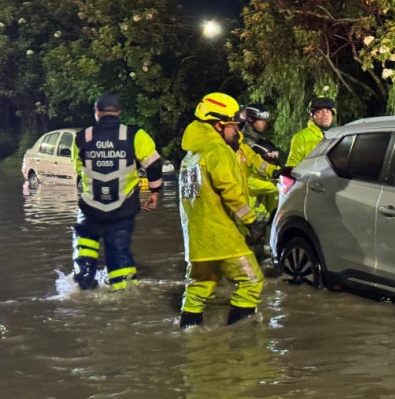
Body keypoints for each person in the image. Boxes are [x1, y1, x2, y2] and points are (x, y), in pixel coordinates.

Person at [178, 92, 268, 328]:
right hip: (223, 236)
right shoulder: (217, 151)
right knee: (251, 281)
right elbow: (230, 192)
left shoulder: (190, 156)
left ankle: (190, 336)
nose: (237, 131)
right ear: (218, 125)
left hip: (197, 241)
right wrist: (251, 222)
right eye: (233, 125)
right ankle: (242, 342)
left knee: (198, 289)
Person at [71, 93, 163, 290]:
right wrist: (154, 192)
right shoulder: (135, 135)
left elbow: (78, 171)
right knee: (119, 253)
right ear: (119, 113)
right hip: (122, 209)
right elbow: (154, 164)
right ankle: (124, 295)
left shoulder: (82, 136)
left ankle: (84, 286)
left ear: (97, 112)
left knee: (84, 248)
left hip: (89, 209)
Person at [238, 104, 283, 222]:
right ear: (251, 119)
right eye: (261, 120)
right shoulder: (243, 143)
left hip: (261, 206)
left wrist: (276, 172)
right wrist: (279, 186)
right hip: (247, 206)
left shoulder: (260, 140)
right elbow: (250, 178)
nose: (264, 123)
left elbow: (260, 164)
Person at [286, 96, 335, 167]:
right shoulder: (301, 137)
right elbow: (292, 165)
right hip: (311, 177)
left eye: (328, 111)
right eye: (319, 112)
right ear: (311, 116)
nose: (325, 115)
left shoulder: (338, 135)